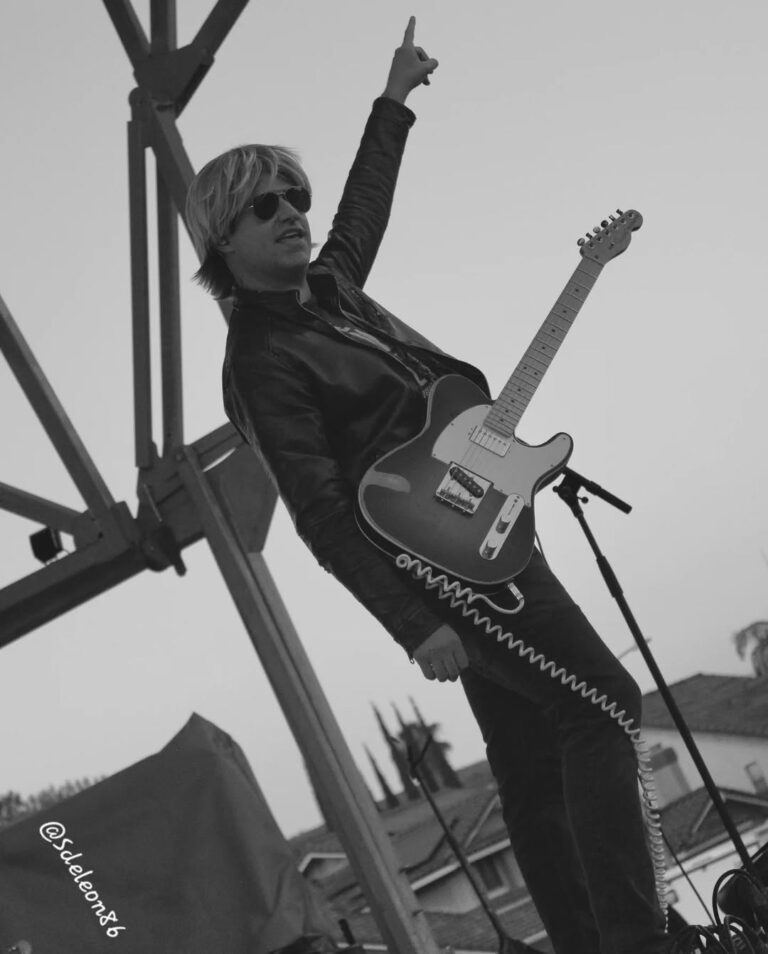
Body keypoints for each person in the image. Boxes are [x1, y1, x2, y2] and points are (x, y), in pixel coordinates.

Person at [186, 17, 671, 954]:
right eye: (265, 206)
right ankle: (634, 941)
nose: (293, 211)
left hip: (484, 536)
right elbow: (321, 512)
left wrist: (394, 99)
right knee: (605, 703)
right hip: (441, 568)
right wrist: (416, 624)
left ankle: (585, 940)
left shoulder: (329, 293)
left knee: (532, 758)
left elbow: (363, 210)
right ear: (223, 239)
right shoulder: (261, 356)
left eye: (296, 195)